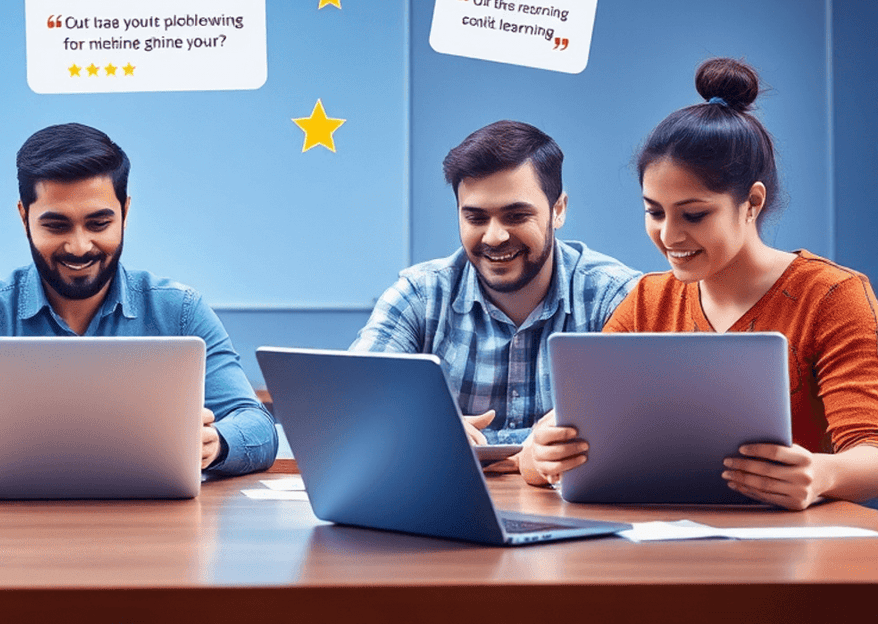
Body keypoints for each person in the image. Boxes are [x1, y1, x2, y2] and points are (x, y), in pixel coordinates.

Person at [520, 58, 878, 509]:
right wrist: (538, 457)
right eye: (654, 212)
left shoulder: (830, 296)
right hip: (662, 535)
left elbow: (871, 452)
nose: (669, 236)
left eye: (693, 215)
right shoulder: (648, 300)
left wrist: (822, 475)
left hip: (797, 538)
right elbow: (559, 435)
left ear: (752, 202)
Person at [0, 122, 277, 478]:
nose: (79, 246)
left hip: (151, 523)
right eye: (56, 225)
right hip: (12, 524)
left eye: (98, 223)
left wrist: (217, 444)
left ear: (125, 212)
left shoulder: (180, 312)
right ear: (24, 218)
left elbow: (257, 426)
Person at [350, 120, 639, 446]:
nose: (494, 236)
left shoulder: (617, 297)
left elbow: (647, 429)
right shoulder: (418, 297)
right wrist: (424, 427)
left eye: (516, 216)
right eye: (475, 218)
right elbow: (353, 411)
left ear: (558, 211)